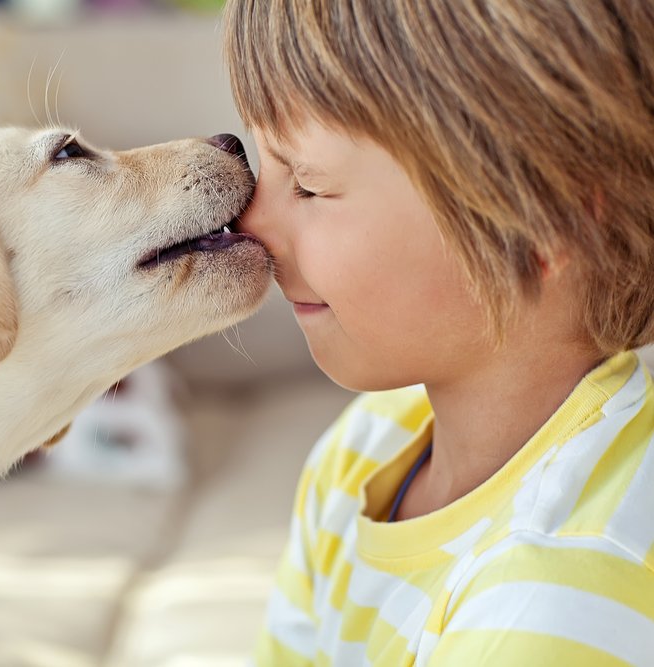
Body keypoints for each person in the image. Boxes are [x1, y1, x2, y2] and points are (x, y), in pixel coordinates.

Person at [223, 0, 654, 664]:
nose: (249, 223)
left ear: (543, 219)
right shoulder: (363, 454)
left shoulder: (559, 599)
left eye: (307, 185)